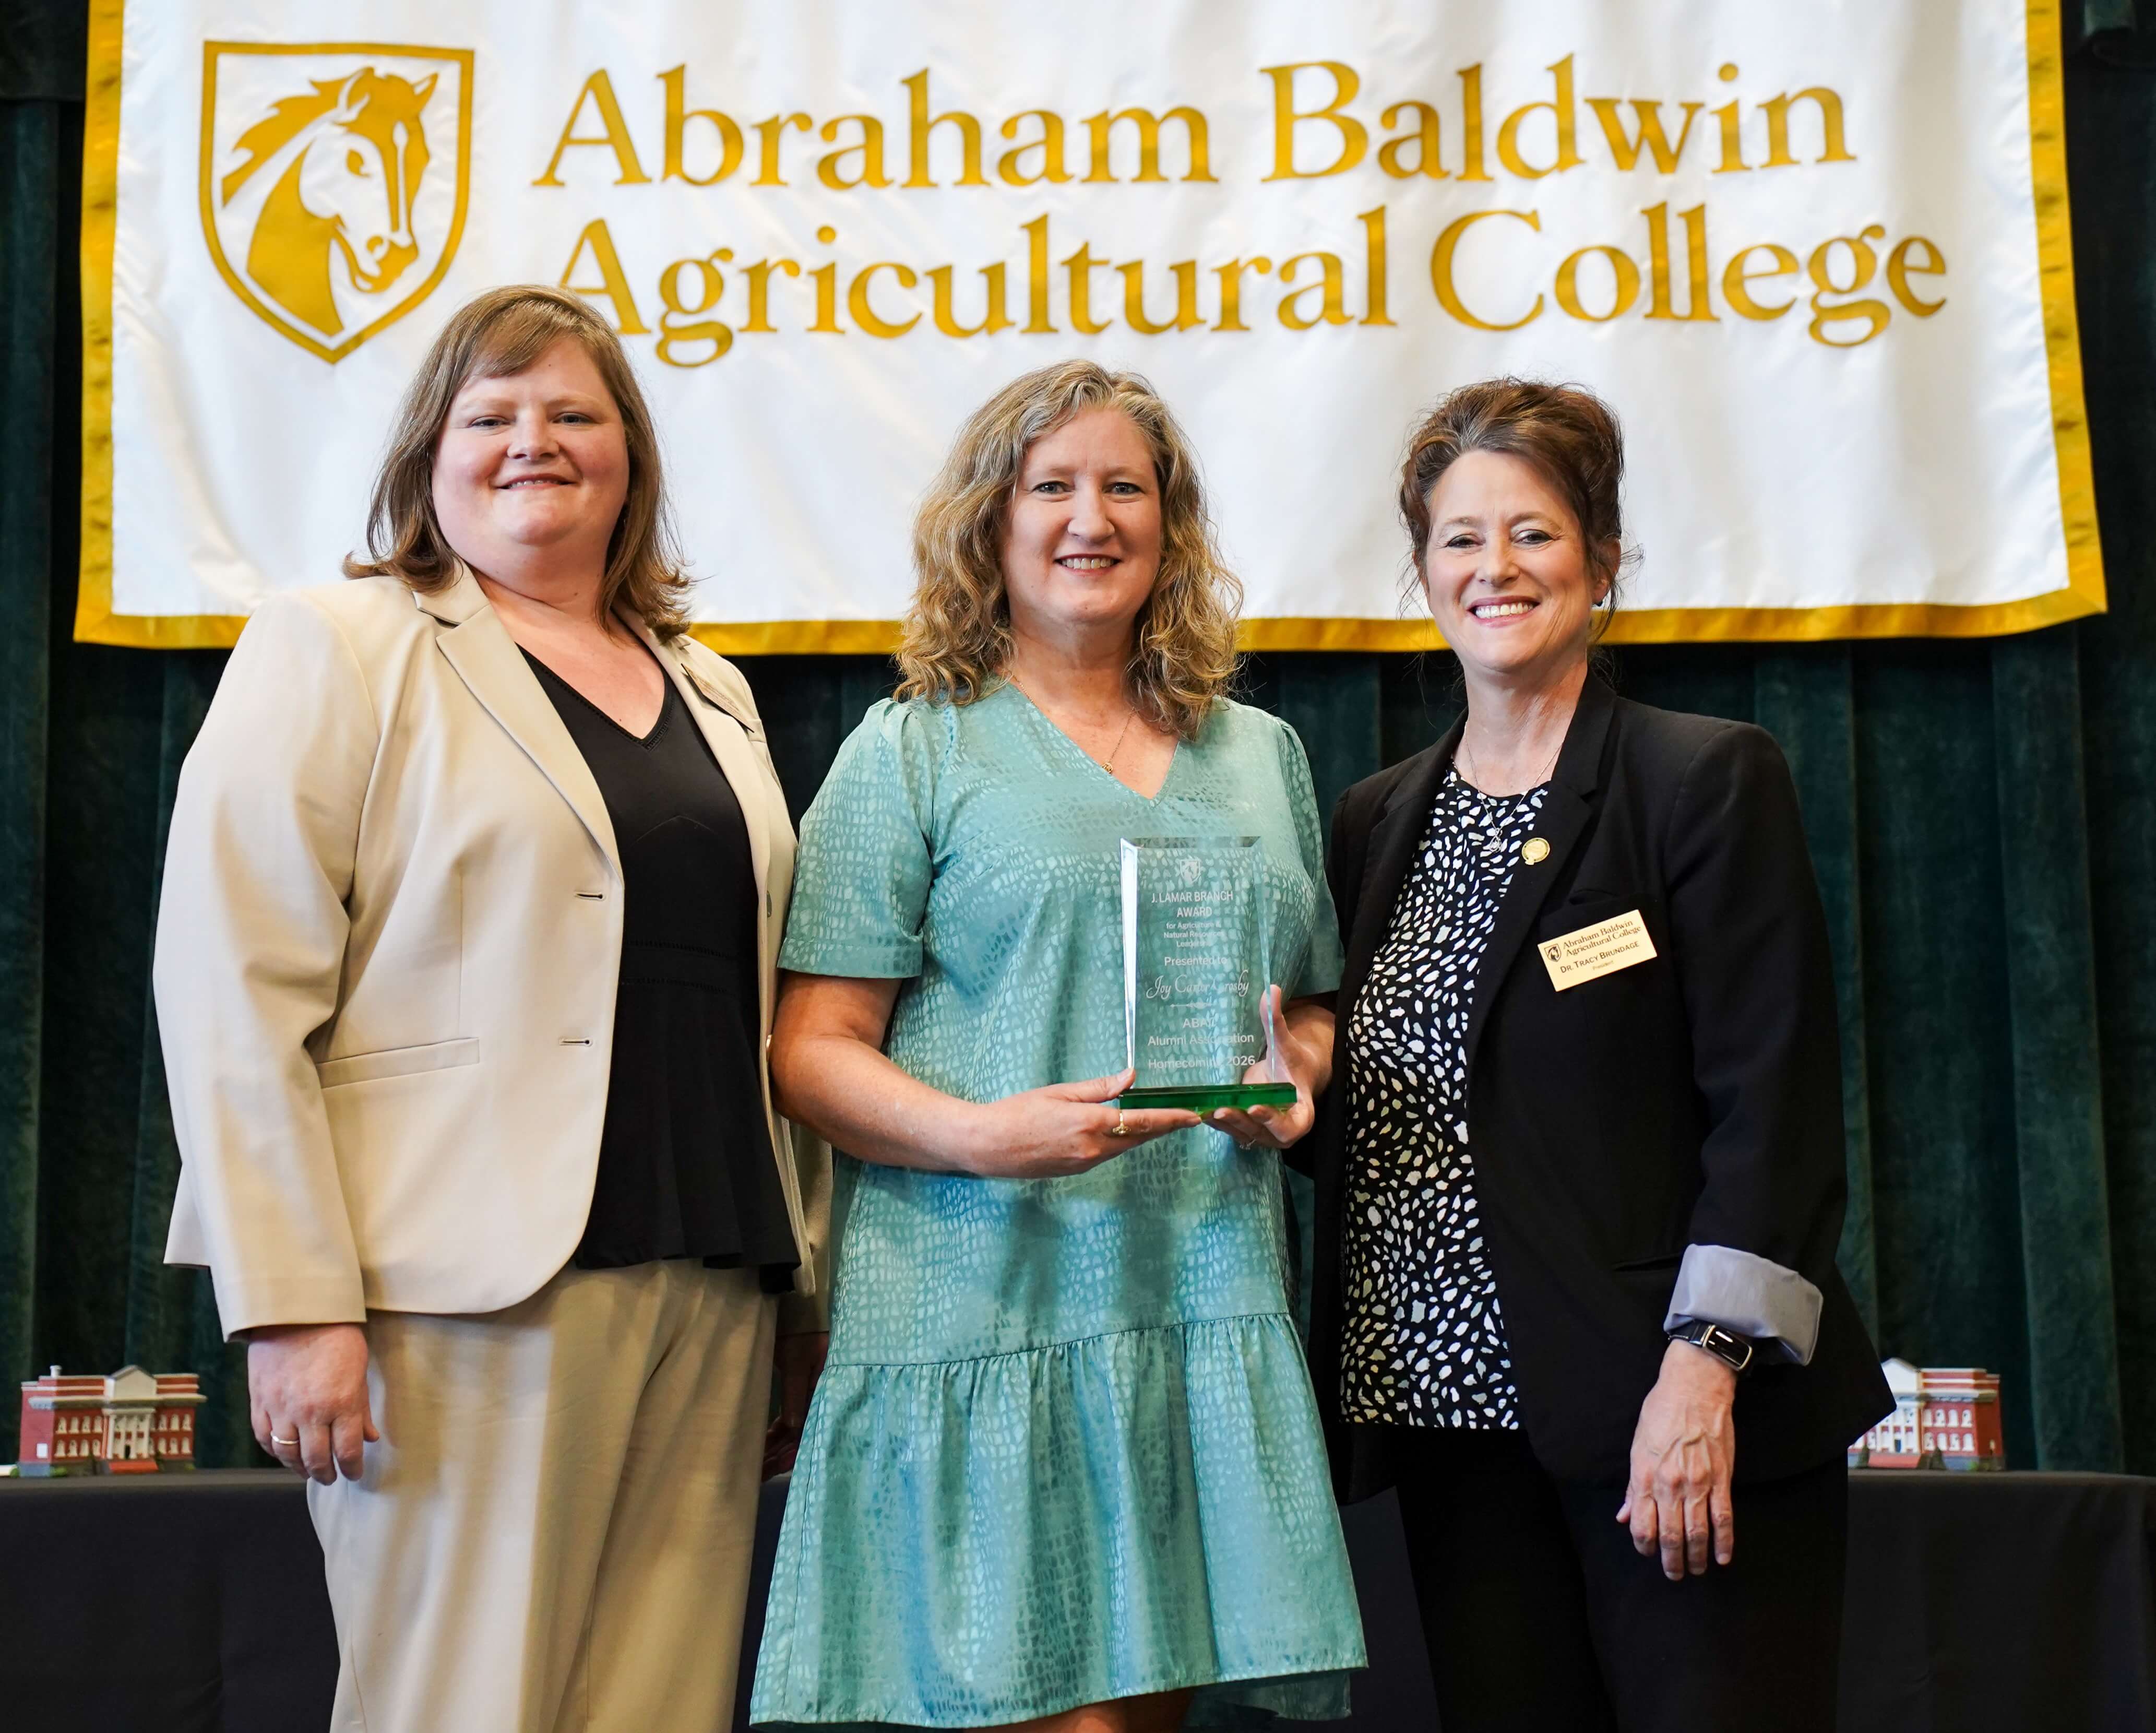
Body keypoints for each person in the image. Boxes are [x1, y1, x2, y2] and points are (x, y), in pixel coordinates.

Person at [154, 284, 829, 1733]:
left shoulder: (710, 686)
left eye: (575, 413)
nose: (538, 441)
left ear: (631, 456)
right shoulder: (340, 642)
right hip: (453, 1303)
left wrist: (802, 1285)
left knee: (657, 1711)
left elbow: (753, 995)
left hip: (710, 1276)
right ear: (429, 455)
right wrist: (292, 1305)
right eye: (495, 415)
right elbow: (232, 988)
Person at [750, 360, 1366, 1733]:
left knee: (1149, 1714)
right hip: (986, 1294)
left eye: (1123, 489)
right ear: (992, 521)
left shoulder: (1260, 754)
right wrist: (982, 1136)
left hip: (1197, 1289)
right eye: (1052, 486)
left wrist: (1295, 1082)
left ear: (1170, 527)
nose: (1089, 518)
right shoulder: (910, 752)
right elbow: (809, 1049)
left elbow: (1310, 1002)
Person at [1302, 378, 1892, 1732]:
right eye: (1458, 539)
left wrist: (1700, 1375)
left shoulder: (1699, 778)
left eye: (1533, 534)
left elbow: (1773, 1116)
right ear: (1421, 571)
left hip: (1667, 1415)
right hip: (1444, 1420)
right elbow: (1407, 1116)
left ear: (1604, 561)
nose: (1492, 569)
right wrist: (1281, 1096)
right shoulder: (1373, 817)